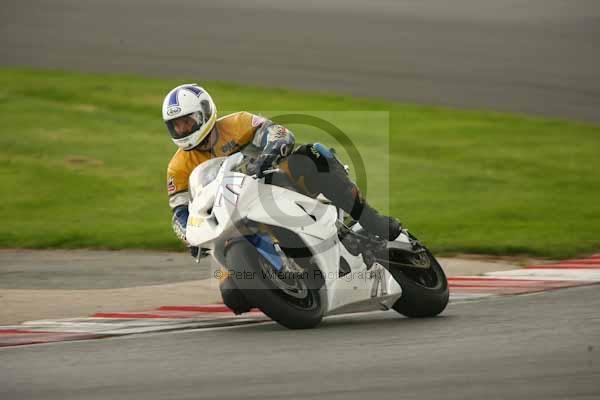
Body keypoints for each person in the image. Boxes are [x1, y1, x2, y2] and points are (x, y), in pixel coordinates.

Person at [163, 84, 401, 313]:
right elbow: (180, 212)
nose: (183, 129)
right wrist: (190, 235)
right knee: (233, 296)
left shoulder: (237, 122)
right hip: (232, 216)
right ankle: (287, 288)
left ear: (205, 113)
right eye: (176, 126)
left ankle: (371, 220)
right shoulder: (178, 167)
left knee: (313, 155)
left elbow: (278, 132)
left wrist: (270, 152)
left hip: (273, 184)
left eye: (187, 121)